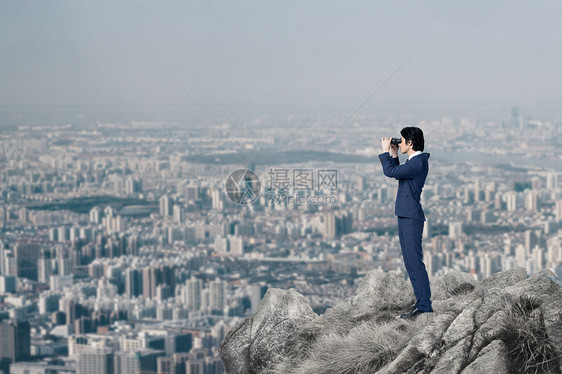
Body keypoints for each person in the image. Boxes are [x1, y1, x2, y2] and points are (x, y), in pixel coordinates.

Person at [379, 127, 433, 319]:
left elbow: (389, 172)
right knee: (410, 262)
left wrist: (386, 152)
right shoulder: (414, 161)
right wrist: (394, 155)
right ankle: (421, 304)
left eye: (401, 141)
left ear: (410, 143)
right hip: (405, 215)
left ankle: (425, 306)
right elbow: (397, 173)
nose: (399, 143)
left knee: (414, 262)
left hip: (411, 217)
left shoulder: (418, 162)